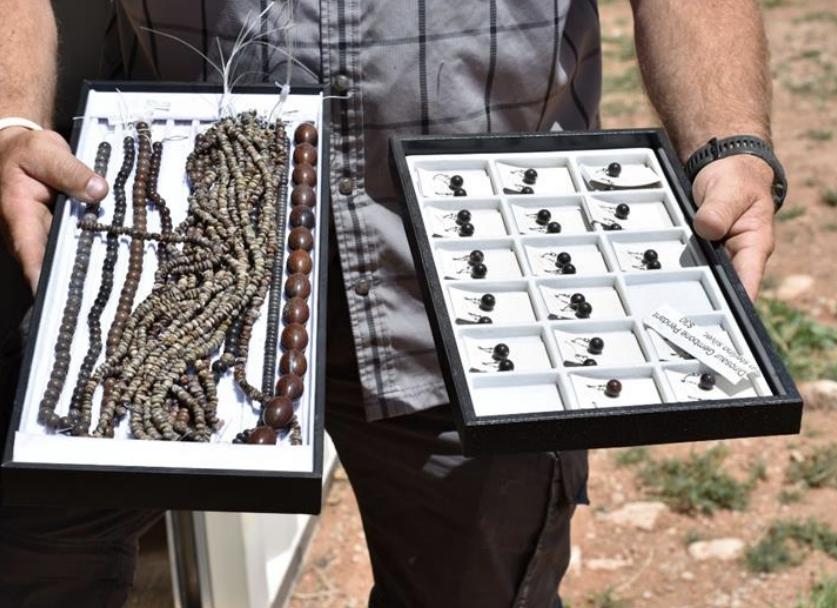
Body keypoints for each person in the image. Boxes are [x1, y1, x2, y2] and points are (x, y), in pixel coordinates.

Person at [0, 1, 784, 606]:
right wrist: (12, 117)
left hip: (485, 276)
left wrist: (728, 142)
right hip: (164, 246)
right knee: (38, 560)